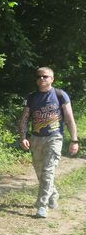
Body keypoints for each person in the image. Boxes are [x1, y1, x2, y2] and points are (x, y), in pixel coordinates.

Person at [19, 67, 80, 218]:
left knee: (48, 171)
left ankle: (42, 205)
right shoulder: (32, 97)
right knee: (40, 172)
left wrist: (74, 140)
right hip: (36, 138)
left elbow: (69, 119)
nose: (42, 79)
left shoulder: (60, 95)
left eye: (45, 76)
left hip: (54, 138)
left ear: (52, 79)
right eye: (39, 76)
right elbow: (24, 119)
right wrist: (23, 137)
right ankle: (53, 194)